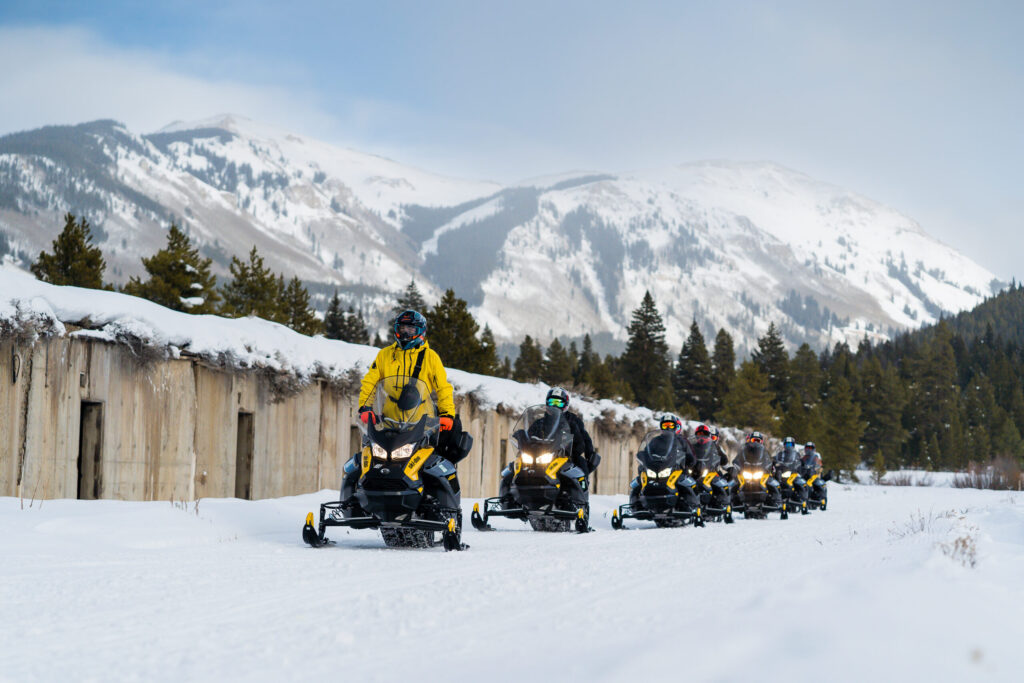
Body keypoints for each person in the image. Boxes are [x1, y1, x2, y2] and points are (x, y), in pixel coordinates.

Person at [340, 309, 462, 508]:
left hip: (421, 421)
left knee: (427, 463)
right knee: (372, 458)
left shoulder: (430, 357)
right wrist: (365, 407)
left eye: (410, 328)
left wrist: (447, 414)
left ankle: (437, 504)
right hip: (390, 419)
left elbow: (443, 388)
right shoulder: (385, 355)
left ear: (420, 331)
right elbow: (370, 382)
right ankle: (359, 500)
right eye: (402, 328)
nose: (405, 333)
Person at [498, 387, 599, 505]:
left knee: (580, 467)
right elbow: (529, 434)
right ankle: (507, 497)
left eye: (558, 402)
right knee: (513, 467)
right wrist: (521, 437)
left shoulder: (572, 420)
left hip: (563, 454)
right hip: (541, 454)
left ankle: (582, 502)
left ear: (565, 404)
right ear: (547, 402)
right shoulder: (540, 422)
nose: (554, 405)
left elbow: (583, 439)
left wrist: (585, 451)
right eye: (552, 402)